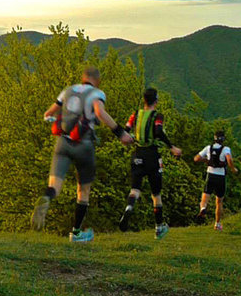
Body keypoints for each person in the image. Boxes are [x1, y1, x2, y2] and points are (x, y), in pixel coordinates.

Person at [31, 67, 133, 242]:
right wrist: (120, 133)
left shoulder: (68, 90)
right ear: (97, 80)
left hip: (62, 142)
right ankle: (76, 233)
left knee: (55, 185)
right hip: (84, 145)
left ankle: (46, 198)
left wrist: (55, 121)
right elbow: (100, 113)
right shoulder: (97, 93)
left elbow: (48, 114)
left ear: (82, 78)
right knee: (83, 190)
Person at [118, 88, 181, 239]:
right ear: (156, 101)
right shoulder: (157, 116)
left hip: (137, 154)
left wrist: (132, 137)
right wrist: (172, 147)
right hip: (152, 155)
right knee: (156, 193)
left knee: (135, 189)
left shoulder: (136, 114)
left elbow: (126, 130)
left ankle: (129, 207)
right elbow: (158, 131)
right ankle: (159, 228)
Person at [194, 130, 238, 231]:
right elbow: (229, 159)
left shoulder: (208, 148)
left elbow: (196, 159)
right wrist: (233, 169)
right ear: (223, 139)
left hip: (210, 175)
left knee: (205, 196)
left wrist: (206, 160)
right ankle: (217, 224)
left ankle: (203, 209)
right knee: (219, 202)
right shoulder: (226, 149)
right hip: (221, 177)